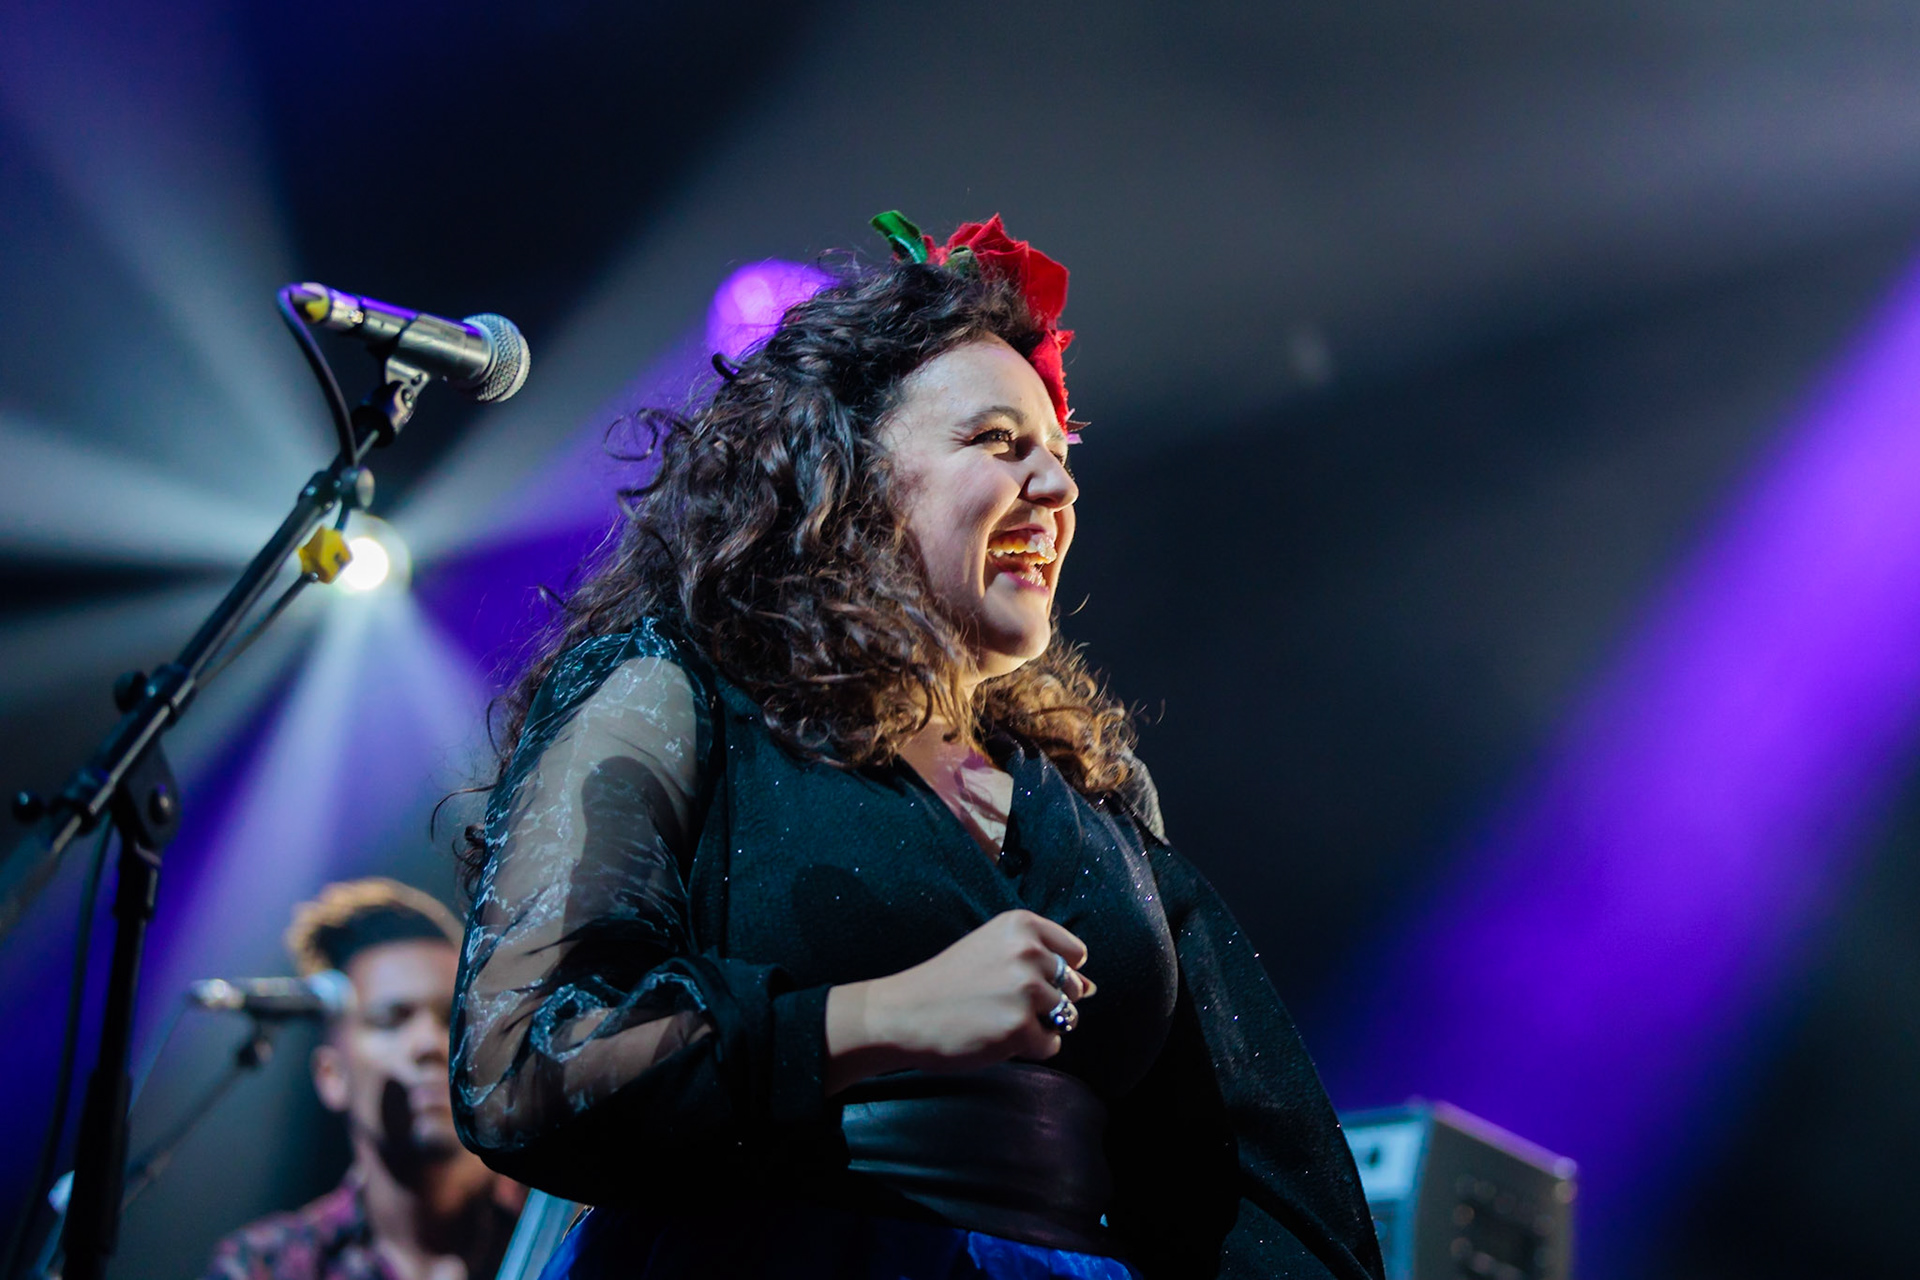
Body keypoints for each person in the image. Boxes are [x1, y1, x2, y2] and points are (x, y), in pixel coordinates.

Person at [450, 212, 1385, 1280]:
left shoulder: (1090, 798)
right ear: (845, 474)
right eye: (998, 441)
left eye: (1059, 451)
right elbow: (525, 1061)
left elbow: (1222, 1165)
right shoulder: (675, 691)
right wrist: (876, 1018)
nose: (1058, 484)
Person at [203, 878, 523, 1280]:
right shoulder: (267, 1266)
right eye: (391, 1020)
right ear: (331, 1076)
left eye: (451, 1018)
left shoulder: (555, 1223)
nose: (430, 1044)